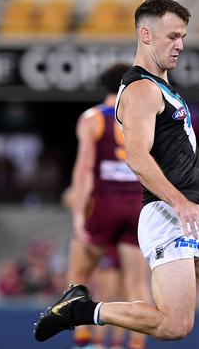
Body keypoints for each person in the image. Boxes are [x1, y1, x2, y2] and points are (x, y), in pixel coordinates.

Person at [34, 0, 199, 349]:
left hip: (197, 214)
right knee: (174, 325)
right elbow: (138, 159)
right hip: (168, 214)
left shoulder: (161, 84)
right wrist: (180, 204)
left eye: (183, 37)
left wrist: (189, 206)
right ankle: (81, 310)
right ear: (145, 35)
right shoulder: (141, 89)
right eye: (172, 36)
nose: (180, 45)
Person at [55, 63, 151, 349]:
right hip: (136, 203)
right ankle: (136, 342)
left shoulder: (93, 118)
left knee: (78, 273)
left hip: (104, 203)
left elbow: (84, 169)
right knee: (137, 283)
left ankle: (83, 338)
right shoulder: (143, 118)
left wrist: (77, 215)